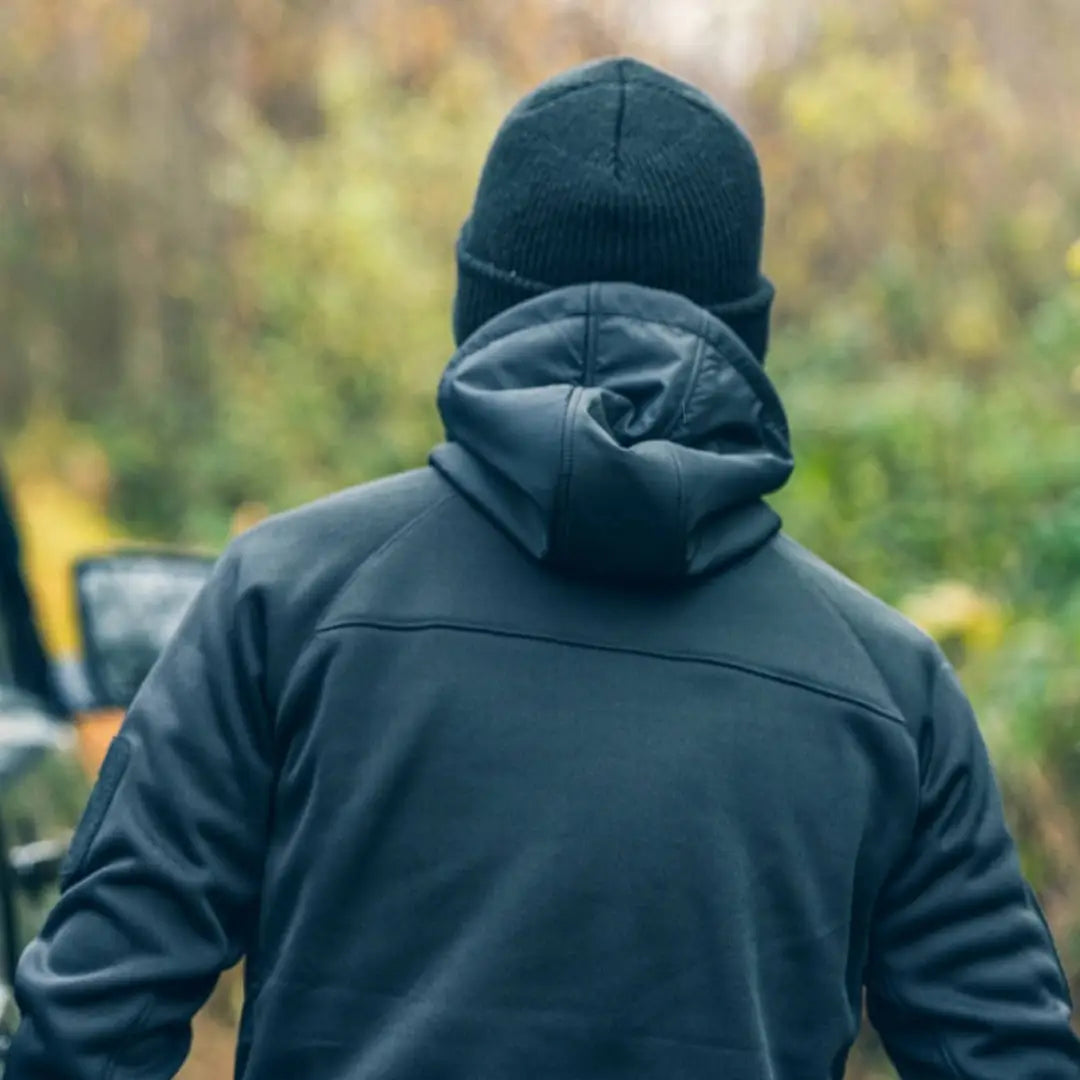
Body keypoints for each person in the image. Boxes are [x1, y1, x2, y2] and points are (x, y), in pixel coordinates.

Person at [9, 57, 1079, 1080]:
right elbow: (1012, 1059)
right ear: (746, 332)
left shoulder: (279, 601)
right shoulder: (889, 688)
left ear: (478, 306)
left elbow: (87, 1033)